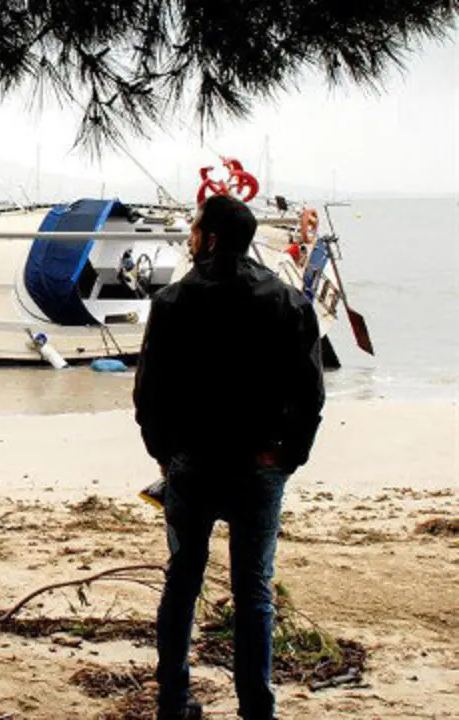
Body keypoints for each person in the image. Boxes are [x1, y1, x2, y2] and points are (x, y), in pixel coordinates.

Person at [133, 194, 325, 720]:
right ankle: (256, 707)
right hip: (259, 464)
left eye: (195, 229)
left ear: (212, 237)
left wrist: (164, 456)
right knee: (253, 591)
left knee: (183, 579)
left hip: (192, 462)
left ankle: (173, 700)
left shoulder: (173, 303)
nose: (190, 237)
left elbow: (148, 394)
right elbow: (310, 393)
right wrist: (289, 456)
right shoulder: (288, 302)